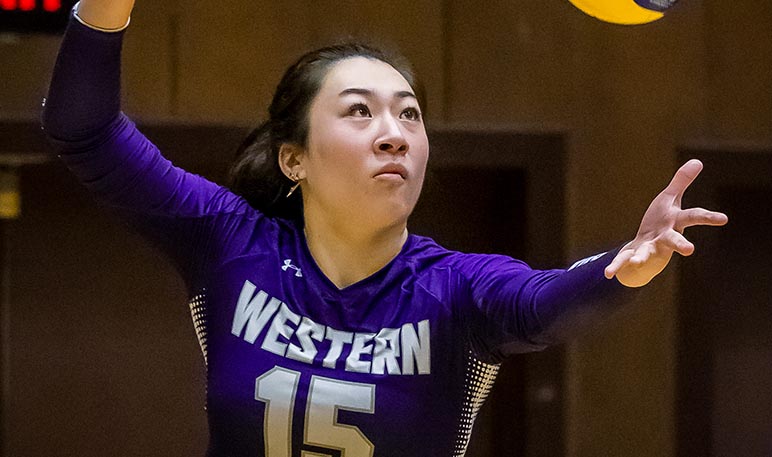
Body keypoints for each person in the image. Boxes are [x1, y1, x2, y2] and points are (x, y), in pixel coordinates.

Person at [41, 1, 728, 456]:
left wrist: (627, 265)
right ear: (294, 157)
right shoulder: (230, 243)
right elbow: (83, 130)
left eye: (409, 114)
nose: (394, 134)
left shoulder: (454, 288)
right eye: (360, 112)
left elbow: (546, 303)